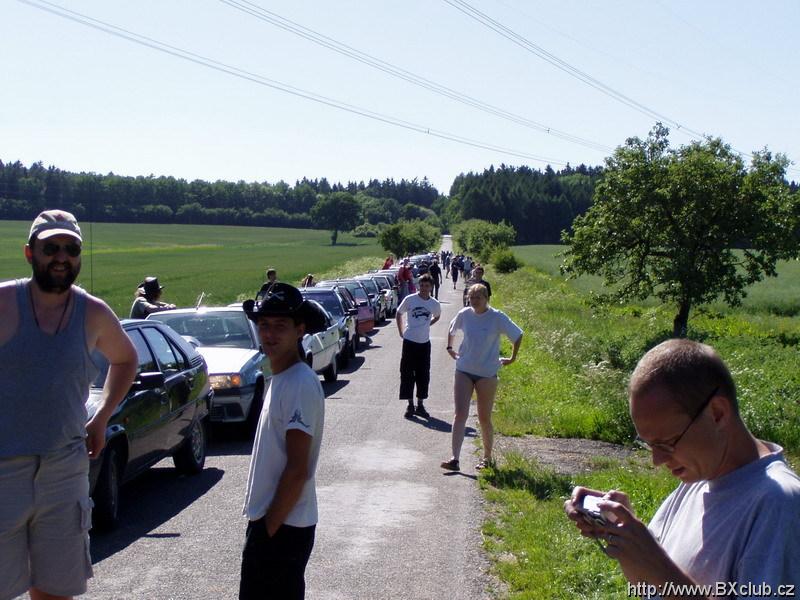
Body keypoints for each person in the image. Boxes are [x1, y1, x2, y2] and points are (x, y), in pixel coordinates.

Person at [564, 339, 800, 596]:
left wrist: (657, 566)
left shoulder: (779, 505)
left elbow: (665, 579)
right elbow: (653, 590)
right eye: (649, 444)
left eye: (666, 443)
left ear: (718, 413)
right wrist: (624, 536)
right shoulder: (700, 479)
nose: (656, 460)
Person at [0, 209, 138, 600]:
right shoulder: (3, 302)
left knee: (55, 591)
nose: (62, 256)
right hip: (3, 472)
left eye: (71, 248)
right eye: (51, 248)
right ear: (30, 253)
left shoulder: (92, 312)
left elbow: (126, 360)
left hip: (64, 472)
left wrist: (101, 417)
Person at [240, 283, 325, 599]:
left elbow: (297, 468)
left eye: (280, 326)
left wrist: (267, 528)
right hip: (277, 524)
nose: (270, 334)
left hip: (283, 527)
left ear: (300, 329)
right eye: (263, 325)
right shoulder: (282, 378)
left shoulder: (299, 383)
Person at [442, 284, 522, 471]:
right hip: (464, 369)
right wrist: (449, 348)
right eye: (472, 297)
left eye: (478, 297)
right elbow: (452, 329)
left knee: (484, 417)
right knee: (460, 414)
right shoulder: (464, 314)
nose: (474, 300)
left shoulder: (497, 317)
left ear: (486, 298)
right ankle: (455, 458)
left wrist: (512, 358)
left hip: (487, 373)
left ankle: (487, 458)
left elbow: (518, 335)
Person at [396, 274, 441, 420]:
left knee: (423, 374)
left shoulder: (434, 304)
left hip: (424, 343)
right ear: (418, 286)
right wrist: (401, 331)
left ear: (431, 287)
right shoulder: (410, 299)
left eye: (427, 286)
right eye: (422, 285)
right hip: (409, 341)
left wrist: (428, 324)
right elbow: (398, 313)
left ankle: (420, 405)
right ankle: (410, 404)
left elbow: (437, 316)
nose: (424, 288)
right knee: (407, 373)